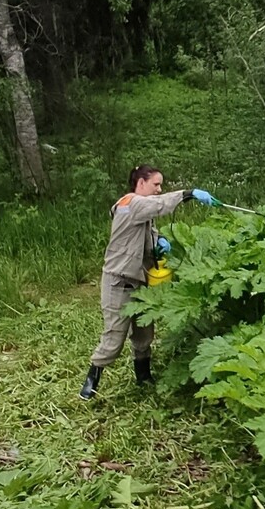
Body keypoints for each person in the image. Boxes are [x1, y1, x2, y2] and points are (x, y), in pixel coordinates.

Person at [79, 165, 222, 400]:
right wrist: (188, 194)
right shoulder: (131, 203)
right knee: (114, 338)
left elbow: (147, 234)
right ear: (141, 183)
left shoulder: (142, 212)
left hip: (140, 279)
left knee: (144, 333)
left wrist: (159, 242)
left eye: (160, 185)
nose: (159, 189)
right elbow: (159, 204)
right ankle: (91, 380)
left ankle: (143, 376)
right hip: (118, 282)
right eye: (156, 184)